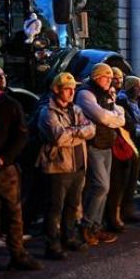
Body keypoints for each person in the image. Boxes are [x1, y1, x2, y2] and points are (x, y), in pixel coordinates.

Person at [0, 65, 42, 274]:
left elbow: (21, 135)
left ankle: (18, 254)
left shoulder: (9, 105)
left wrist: (5, 159)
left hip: (3, 171)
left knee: (13, 211)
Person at [37, 72, 96, 260]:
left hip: (78, 165)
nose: (72, 92)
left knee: (72, 204)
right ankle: (52, 244)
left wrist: (72, 132)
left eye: (73, 89)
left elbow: (92, 129)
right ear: (56, 90)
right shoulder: (47, 111)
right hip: (58, 167)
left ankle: (68, 237)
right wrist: (79, 133)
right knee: (55, 207)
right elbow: (58, 137)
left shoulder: (76, 109)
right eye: (67, 89)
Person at [75, 63, 125, 245]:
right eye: (107, 77)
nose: (110, 80)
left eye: (111, 77)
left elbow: (120, 115)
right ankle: (86, 226)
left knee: (104, 187)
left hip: (106, 144)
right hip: (93, 144)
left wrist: (114, 118)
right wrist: (115, 119)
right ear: (96, 77)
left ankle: (96, 226)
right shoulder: (85, 93)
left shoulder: (106, 92)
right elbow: (103, 117)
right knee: (100, 186)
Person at [107, 76, 140, 230]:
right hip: (124, 143)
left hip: (135, 142)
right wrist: (139, 129)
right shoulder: (122, 102)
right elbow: (127, 123)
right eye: (137, 87)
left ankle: (127, 209)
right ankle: (118, 212)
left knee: (132, 178)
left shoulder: (135, 103)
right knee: (122, 180)